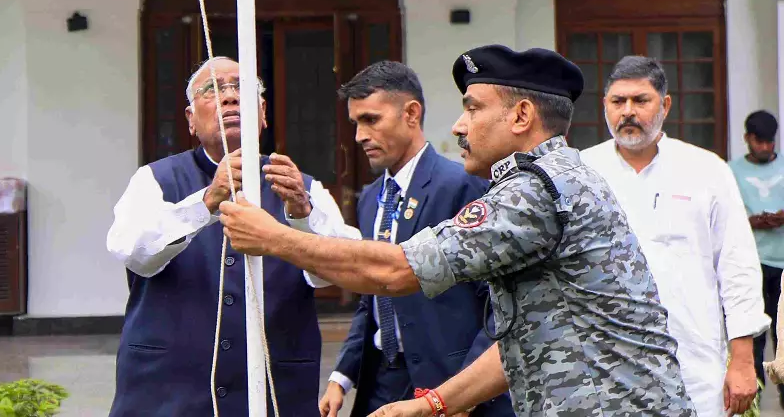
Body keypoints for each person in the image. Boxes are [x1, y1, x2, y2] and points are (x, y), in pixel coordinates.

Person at [218, 44, 695, 417]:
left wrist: (274, 238)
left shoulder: (534, 191)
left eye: (473, 108)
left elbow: (396, 271)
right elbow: (520, 344)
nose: (458, 126)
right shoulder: (554, 176)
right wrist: (432, 405)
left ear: (521, 116)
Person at [106, 56, 357, 417]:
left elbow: (341, 269)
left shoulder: (302, 187)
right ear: (191, 119)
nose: (230, 97)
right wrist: (207, 201)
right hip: (167, 395)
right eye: (212, 89)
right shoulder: (155, 180)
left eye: (242, 88)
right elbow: (132, 251)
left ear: (263, 112)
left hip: (275, 390)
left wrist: (303, 214)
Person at [318, 62, 513, 417]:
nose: (360, 135)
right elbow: (371, 297)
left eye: (371, 120)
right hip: (383, 380)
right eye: (356, 123)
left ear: (411, 113)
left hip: (449, 381)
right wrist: (341, 376)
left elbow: (497, 302)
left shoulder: (461, 185)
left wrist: (465, 393)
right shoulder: (370, 198)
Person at [580, 56, 767, 417]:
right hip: (602, 366)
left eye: (641, 100)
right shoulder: (582, 172)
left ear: (665, 105)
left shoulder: (706, 169)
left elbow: (736, 265)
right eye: (618, 101)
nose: (628, 111)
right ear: (604, 105)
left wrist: (743, 360)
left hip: (693, 363)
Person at [729, 109, 784, 405]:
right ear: (747, 138)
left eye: (769, 142)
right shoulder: (731, 171)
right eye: (759, 141)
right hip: (751, 264)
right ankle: (753, 403)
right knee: (754, 336)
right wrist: (752, 221)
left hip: (783, 265)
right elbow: (726, 214)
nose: (765, 147)